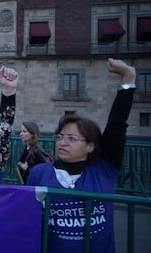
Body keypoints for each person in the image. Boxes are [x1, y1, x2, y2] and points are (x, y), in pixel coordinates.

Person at [26, 58, 136, 253]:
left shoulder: (105, 170)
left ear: (90, 146)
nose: (63, 142)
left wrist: (127, 80)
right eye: (60, 136)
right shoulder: (39, 173)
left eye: (72, 138)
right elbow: (28, 221)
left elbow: (116, 126)